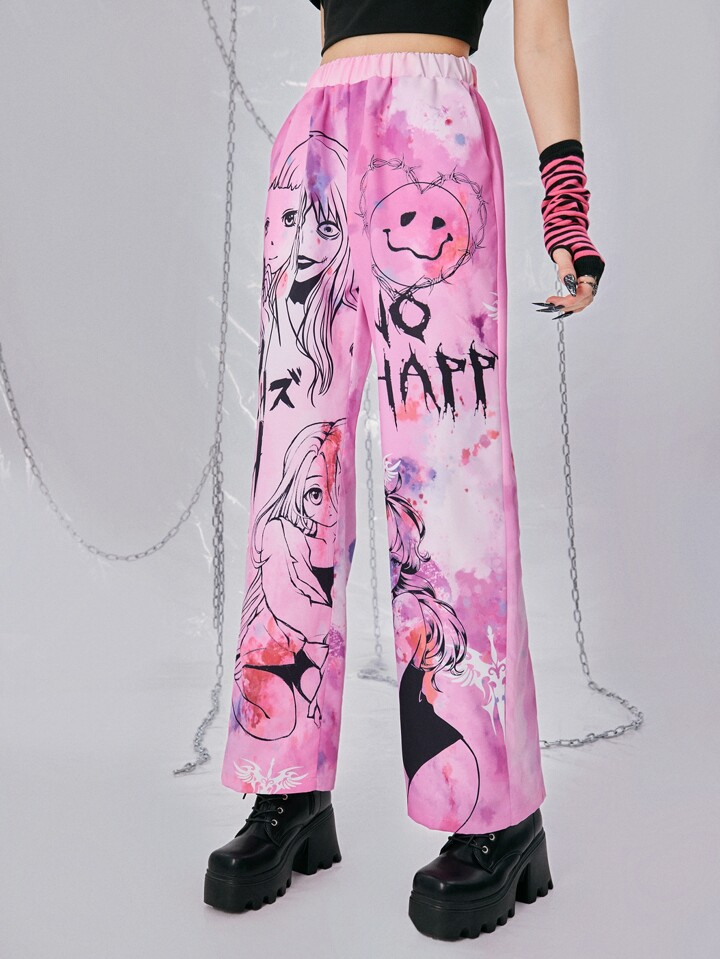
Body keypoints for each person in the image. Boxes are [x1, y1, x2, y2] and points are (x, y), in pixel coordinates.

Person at [203, 0, 605, 940]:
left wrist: (566, 205)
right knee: (293, 464)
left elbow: (542, 33)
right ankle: (287, 783)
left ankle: (496, 808)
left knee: (447, 480)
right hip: (316, 139)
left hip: (435, 127)